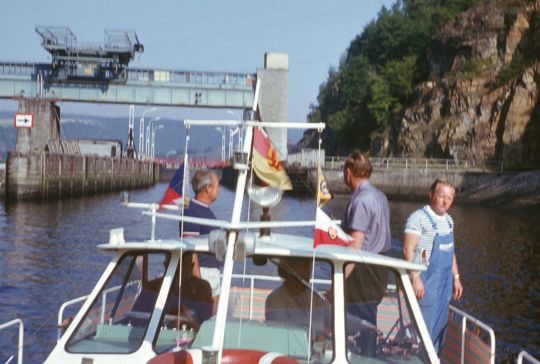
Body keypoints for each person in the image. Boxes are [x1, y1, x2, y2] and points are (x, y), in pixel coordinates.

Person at [402, 178, 463, 354]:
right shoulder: (418, 218)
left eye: (450, 198)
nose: (445, 202)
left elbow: (451, 253)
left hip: (444, 286)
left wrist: (456, 278)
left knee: (439, 328)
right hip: (425, 282)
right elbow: (408, 249)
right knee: (422, 331)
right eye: (441, 196)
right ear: (431, 195)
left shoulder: (449, 221)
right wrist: (415, 278)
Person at [342, 151, 391, 356]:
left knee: (359, 320)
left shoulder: (361, 200)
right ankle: (368, 356)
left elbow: (356, 245)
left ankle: (363, 358)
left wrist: (340, 279)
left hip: (364, 268)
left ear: (348, 172)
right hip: (380, 265)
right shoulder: (380, 196)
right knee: (369, 318)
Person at [180, 170, 222, 309]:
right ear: (208, 188)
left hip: (212, 274)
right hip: (204, 274)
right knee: (204, 317)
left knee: (212, 321)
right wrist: (197, 282)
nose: (219, 189)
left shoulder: (204, 210)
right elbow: (190, 248)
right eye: (217, 185)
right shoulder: (192, 211)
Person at [265, 258, 330, 335]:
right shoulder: (274, 300)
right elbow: (280, 333)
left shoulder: (316, 297)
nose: (308, 271)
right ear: (289, 271)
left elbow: (340, 320)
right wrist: (319, 334)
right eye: (303, 266)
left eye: (309, 266)